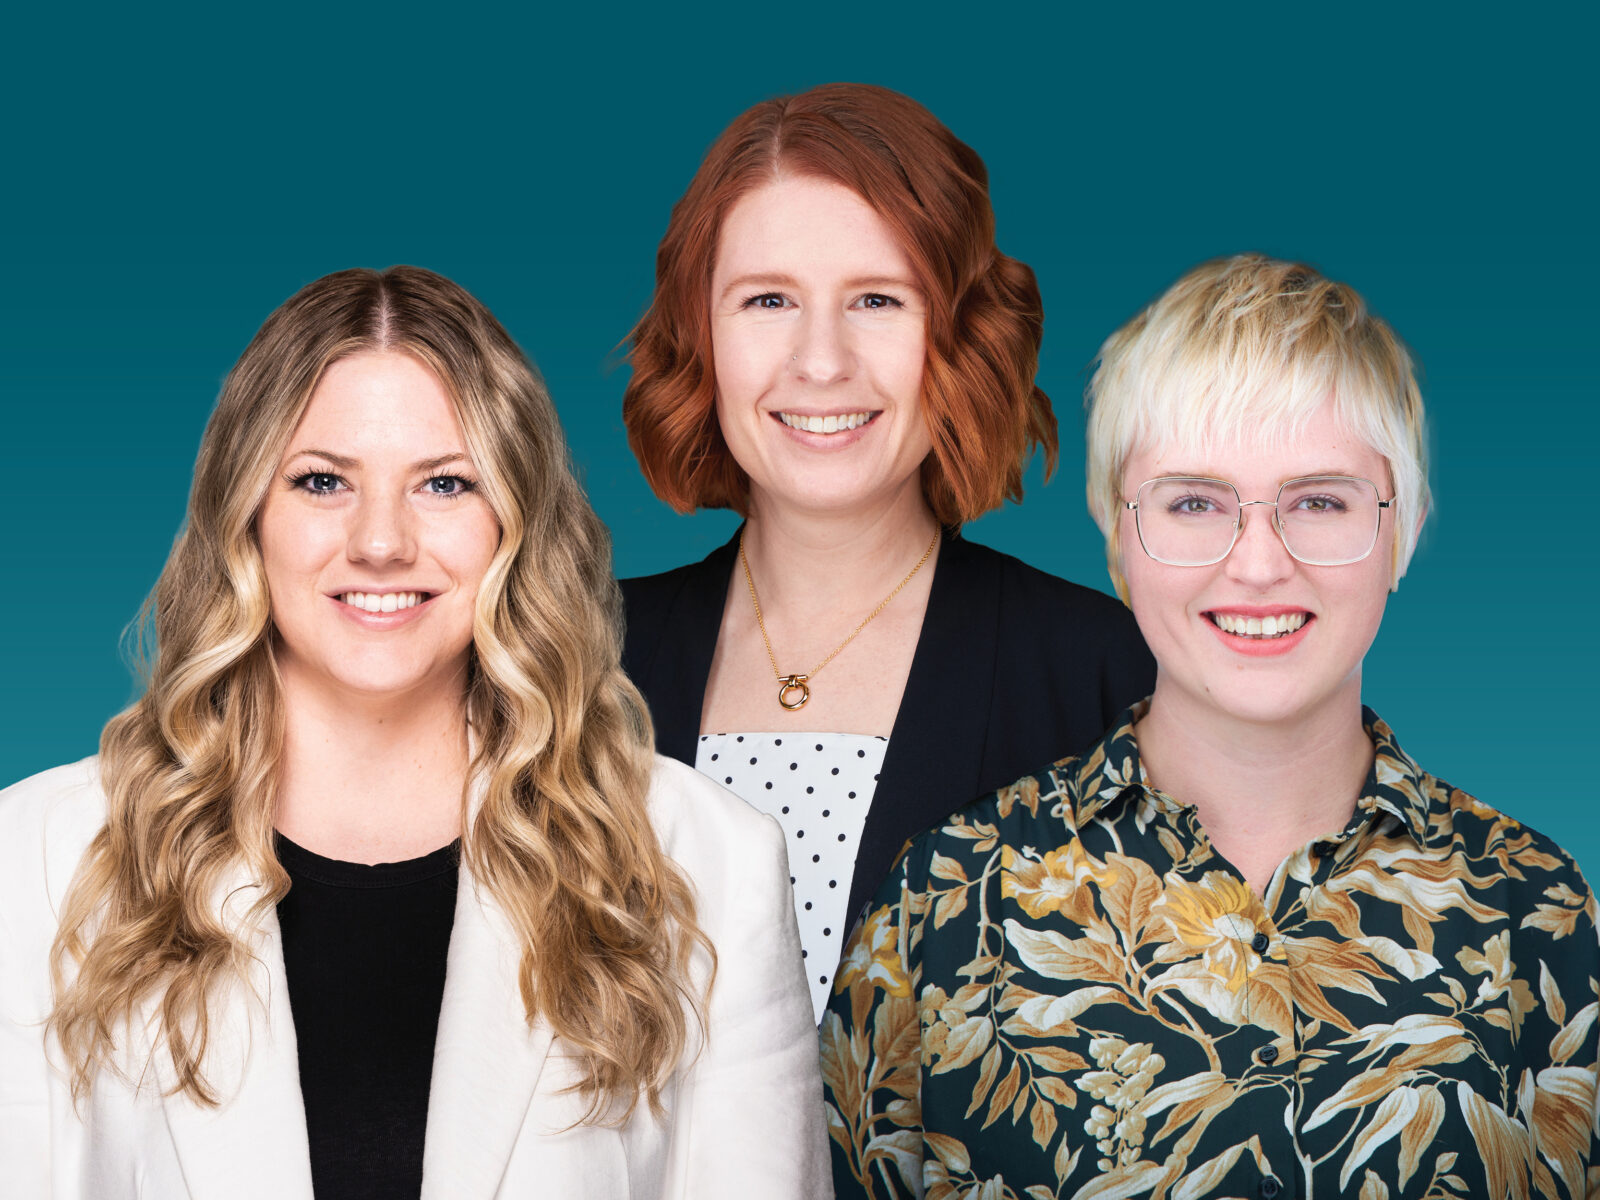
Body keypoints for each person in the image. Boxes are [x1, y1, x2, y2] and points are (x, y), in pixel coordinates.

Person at [0, 266, 827, 1198]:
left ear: (515, 522)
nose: (381, 541)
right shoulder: (37, 859)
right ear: (247, 517)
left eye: (444, 483)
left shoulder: (709, 866)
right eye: (322, 482)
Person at [822, 254, 1600, 1198]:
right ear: (1117, 535)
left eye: (1319, 501)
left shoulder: (1537, 911)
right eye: (1196, 503)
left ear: (1402, 530)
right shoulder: (947, 900)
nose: (1259, 564)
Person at [620, 83, 1154, 1020]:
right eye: (767, 299)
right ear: (699, 336)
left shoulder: (1107, 675)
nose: (820, 362)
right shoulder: (578, 656)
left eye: (876, 297)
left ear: (963, 335)